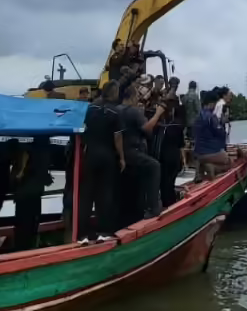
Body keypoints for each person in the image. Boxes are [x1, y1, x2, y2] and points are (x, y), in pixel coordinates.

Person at [77, 80, 126, 239]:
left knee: (86, 193)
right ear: (112, 92)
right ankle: (103, 230)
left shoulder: (89, 108)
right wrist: (122, 157)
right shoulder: (115, 112)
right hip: (107, 156)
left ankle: (82, 231)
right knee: (104, 193)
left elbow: (82, 129)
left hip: (90, 153)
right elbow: (117, 137)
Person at [119, 85, 167, 220]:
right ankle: (153, 207)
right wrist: (158, 114)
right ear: (133, 97)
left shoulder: (117, 109)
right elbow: (147, 128)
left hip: (120, 151)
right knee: (154, 166)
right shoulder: (133, 112)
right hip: (132, 151)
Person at [11, 138, 52, 251]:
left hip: (28, 195)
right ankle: (24, 248)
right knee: (27, 226)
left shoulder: (37, 154)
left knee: (26, 226)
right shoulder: (38, 154)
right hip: (28, 196)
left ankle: (23, 248)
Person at [158, 79, 186, 209]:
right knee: (169, 182)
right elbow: (181, 144)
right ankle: (170, 204)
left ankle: (166, 204)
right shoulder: (177, 125)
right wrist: (183, 159)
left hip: (164, 156)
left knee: (165, 183)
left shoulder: (162, 125)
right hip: (173, 156)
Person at [193, 91, 232, 179]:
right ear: (211, 103)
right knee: (229, 162)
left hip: (198, 153)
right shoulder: (211, 117)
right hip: (209, 152)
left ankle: (202, 170)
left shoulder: (198, 116)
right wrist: (222, 122)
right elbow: (221, 134)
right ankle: (213, 167)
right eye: (215, 104)